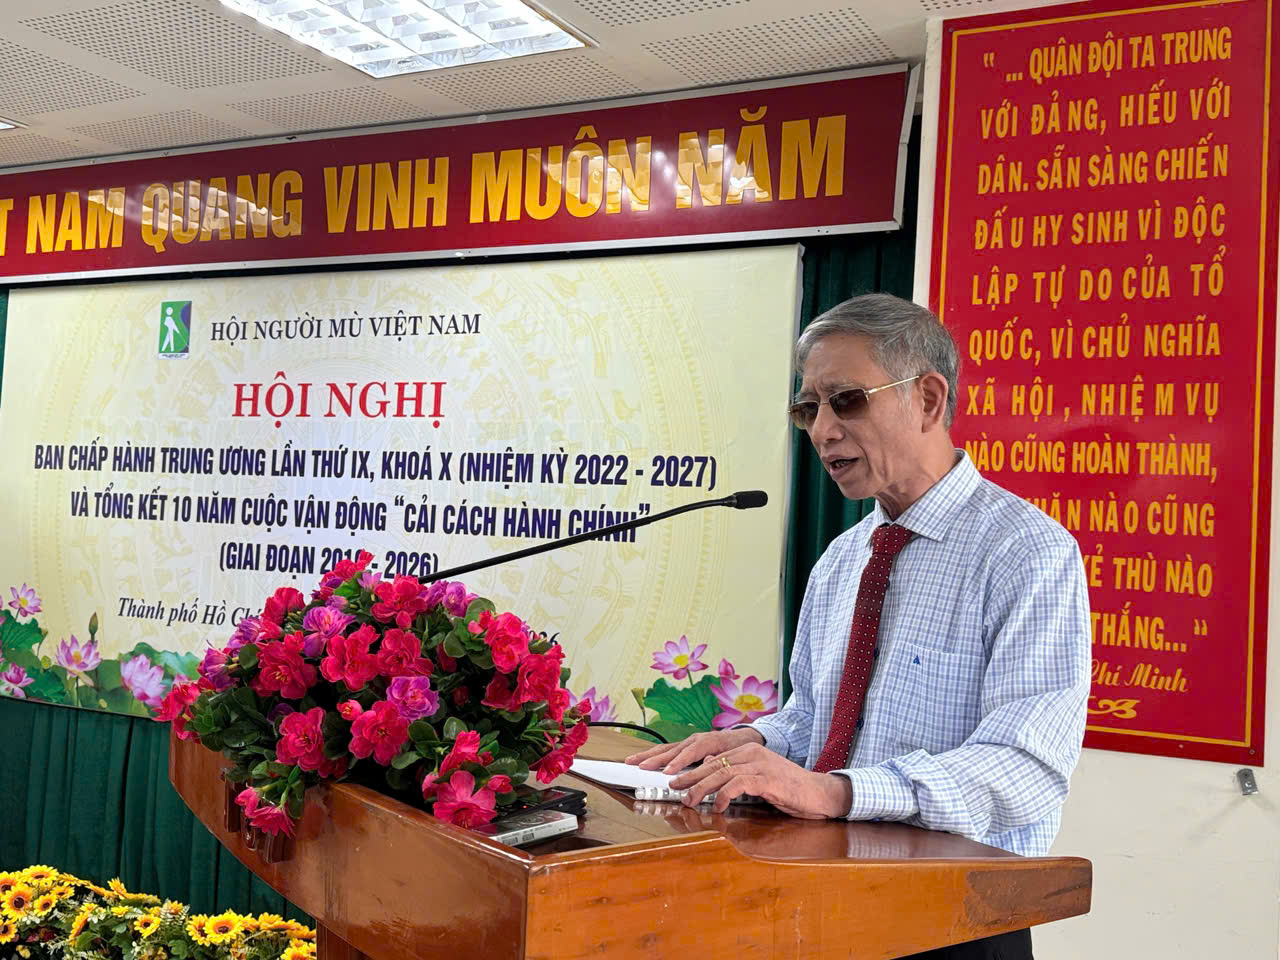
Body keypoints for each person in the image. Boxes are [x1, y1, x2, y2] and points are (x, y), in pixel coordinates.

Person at [627, 293, 1090, 960]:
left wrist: (836, 793)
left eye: (846, 401)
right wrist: (750, 743)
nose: (821, 431)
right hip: (826, 903)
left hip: (952, 921)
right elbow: (817, 718)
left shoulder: (1026, 554)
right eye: (807, 409)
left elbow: (1023, 769)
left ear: (928, 400)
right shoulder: (845, 558)